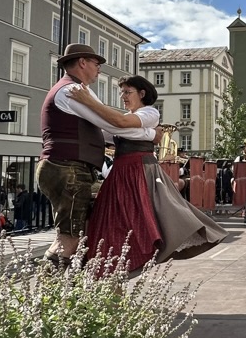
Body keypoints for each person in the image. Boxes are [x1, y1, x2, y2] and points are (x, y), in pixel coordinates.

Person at [69, 75, 226, 271]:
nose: (123, 96)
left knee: (146, 217)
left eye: (128, 92)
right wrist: (151, 134)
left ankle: (125, 260)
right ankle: (110, 264)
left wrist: (89, 103)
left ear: (142, 94)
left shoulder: (150, 113)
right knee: (115, 219)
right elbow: (110, 128)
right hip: (122, 172)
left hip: (139, 170)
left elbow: (118, 124)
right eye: (122, 92)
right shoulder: (128, 117)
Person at [36, 43, 159, 268]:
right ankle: (47, 284)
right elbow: (115, 125)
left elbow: (105, 130)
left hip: (65, 167)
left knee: (83, 229)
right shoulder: (74, 91)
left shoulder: (71, 89)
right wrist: (153, 134)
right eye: (96, 63)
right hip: (69, 168)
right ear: (82, 62)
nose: (99, 68)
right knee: (69, 237)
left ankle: (71, 281)